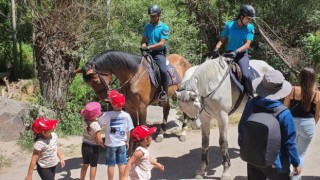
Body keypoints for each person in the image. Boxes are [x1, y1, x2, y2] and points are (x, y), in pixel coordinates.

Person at [238, 70, 301, 180]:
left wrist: (245, 147)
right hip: (277, 163)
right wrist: (296, 162)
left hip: (253, 157)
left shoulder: (251, 104)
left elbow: (242, 128)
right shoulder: (284, 113)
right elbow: (289, 142)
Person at [284, 67, 320, 180]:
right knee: (301, 154)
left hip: (291, 124)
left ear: (300, 77)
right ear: (313, 79)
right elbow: (317, 115)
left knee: (289, 150)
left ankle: (288, 175)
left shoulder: (292, 90)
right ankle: (295, 177)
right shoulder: (317, 94)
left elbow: (284, 109)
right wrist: (311, 125)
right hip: (308, 125)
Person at [214, 4, 256, 97]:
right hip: (228, 54)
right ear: (241, 16)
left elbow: (247, 44)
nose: (250, 21)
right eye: (248, 18)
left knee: (245, 75)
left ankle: (251, 96)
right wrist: (216, 48)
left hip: (241, 55)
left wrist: (236, 51)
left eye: (251, 19)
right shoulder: (229, 25)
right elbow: (222, 40)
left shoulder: (250, 28)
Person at [99, 90, 134, 180]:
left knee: (111, 165)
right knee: (122, 164)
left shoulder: (107, 115)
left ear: (112, 104)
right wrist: (127, 141)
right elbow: (128, 130)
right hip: (122, 143)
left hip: (110, 144)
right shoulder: (127, 115)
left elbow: (100, 122)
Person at [140, 4, 170, 102]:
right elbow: (144, 40)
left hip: (158, 53)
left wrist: (148, 47)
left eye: (153, 16)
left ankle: (164, 92)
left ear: (158, 15)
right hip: (147, 52)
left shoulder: (164, 27)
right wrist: (143, 46)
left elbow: (161, 43)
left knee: (163, 70)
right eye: (150, 16)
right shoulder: (147, 27)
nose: (152, 18)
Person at [80, 101, 105, 180]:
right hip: (93, 148)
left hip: (84, 146)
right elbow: (99, 140)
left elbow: (83, 112)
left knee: (85, 164)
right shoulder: (95, 125)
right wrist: (103, 145)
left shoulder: (84, 120)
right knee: (93, 166)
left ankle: (82, 178)